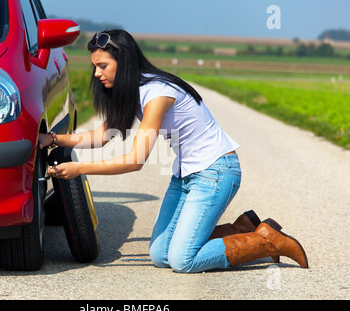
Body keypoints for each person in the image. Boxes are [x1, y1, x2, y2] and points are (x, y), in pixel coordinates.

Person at [39, 30, 308, 273]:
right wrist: (51, 139)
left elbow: (135, 161)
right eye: (94, 67)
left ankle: (266, 240)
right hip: (185, 176)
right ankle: (241, 229)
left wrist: (79, 169)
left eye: (103, 66)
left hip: (215, 173)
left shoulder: (157, 94)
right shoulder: (131, 93)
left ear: (125, 63)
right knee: (159, 255)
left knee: (183, 260)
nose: (97, 74)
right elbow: (102, 136)